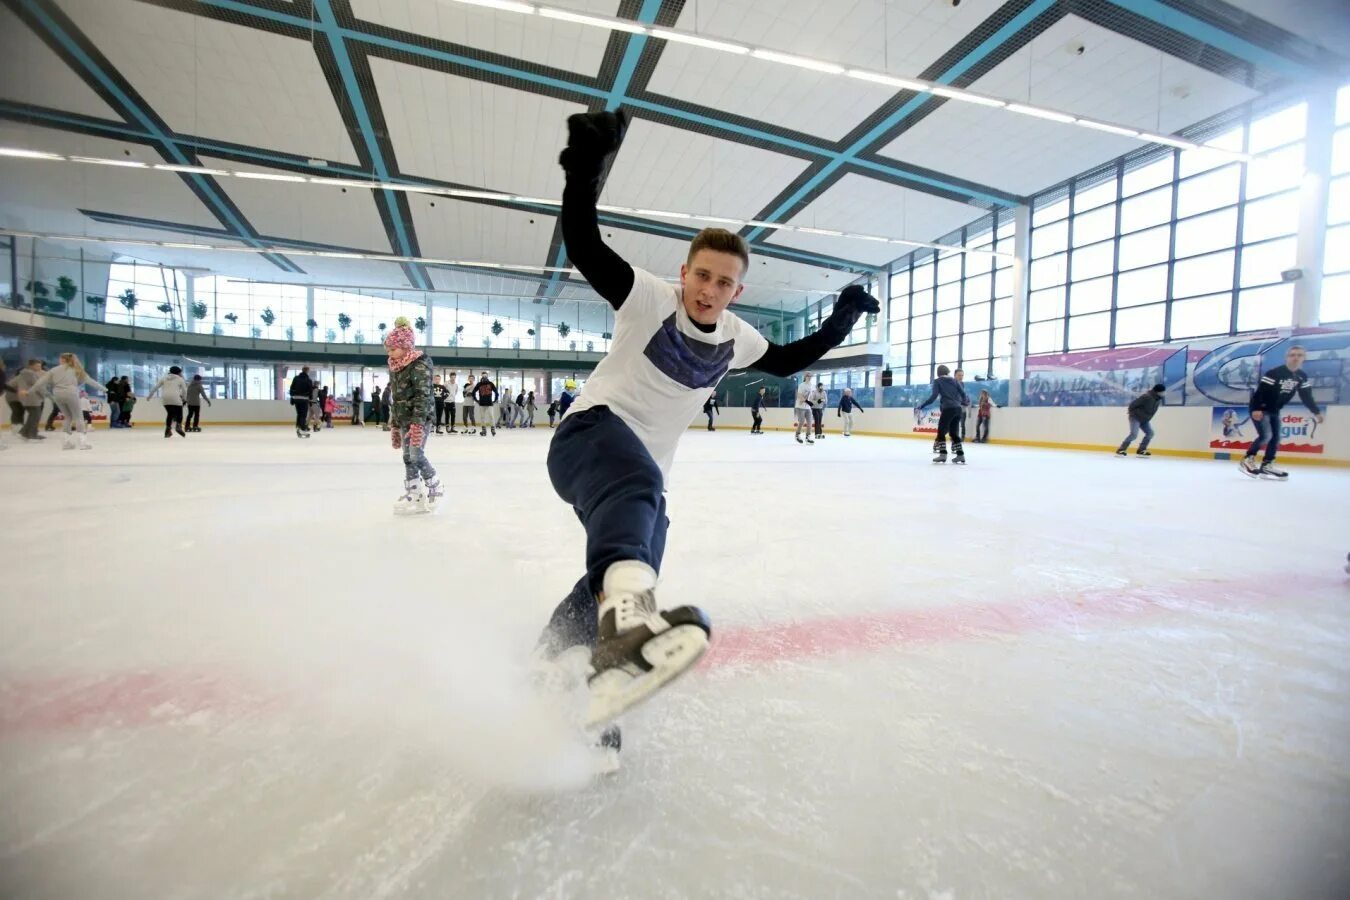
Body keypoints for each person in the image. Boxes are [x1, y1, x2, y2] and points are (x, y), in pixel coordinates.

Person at [534, 109, 881, 741]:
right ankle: (627, 639)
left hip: (641, 477)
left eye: (724, 282)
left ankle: (579, 679)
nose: (709, 290)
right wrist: (583, 171)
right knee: (637, 499)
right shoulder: (648, 300)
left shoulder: (735, 336)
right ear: (684, 274)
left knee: (626, 567)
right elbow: (585, 246)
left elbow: (786, 360)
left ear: (736, 291)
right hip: (588, 437)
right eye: (701, 276)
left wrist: (842, 320)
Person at [1240, 344, 1323, 480]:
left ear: (1304, 358)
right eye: (1292, 355)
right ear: (1287, 358)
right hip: (1261, 408)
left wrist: (1316, 411)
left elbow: (1306, 395)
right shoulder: (1275, 373)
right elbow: (1260, 392)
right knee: (1266, 436)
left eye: (1299, 355)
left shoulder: (1301, 376)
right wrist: (1256, 408)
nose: (1295, 358)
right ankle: (1248, 459)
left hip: (1275, 410)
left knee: (1276, 438)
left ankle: (1267, 465)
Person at [385, 318, 442, 514]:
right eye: (388, 349)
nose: (389, 353)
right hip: (403, 417)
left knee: (416, 454)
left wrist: (418, 423)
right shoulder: (394, 365)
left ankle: (435, 486)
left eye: (392, 349)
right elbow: (395, 395)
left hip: (420, 417)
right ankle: (414, 493)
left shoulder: (420, 362)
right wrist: (394, 422)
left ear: (405, 346)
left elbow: (423, 394)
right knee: (407, 457)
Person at [25, 353, 104, 449]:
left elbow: (40, 382)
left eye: (60, 359)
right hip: (71, 393)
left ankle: (66, 443)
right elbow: (91, 381)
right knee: (79, 416)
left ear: (63, 360)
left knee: (68, 417)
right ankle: (83, 443)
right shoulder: (77, 370)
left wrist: (29, 391)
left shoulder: (54, 370)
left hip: (57, 394)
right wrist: (104, 389)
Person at [917, 364, 968, 464]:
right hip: (958, 409)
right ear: (947, 372)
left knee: (941, 432)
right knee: (953, 433)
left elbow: (934, 396)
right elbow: (963, 394)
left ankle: (942, 454)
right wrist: (964, 402)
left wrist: (922, 405)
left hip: (948, 408)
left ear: (938, 373)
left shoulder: (937, 381)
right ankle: (960, 455)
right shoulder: (955, 381)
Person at [1116, 383, 1164, 458]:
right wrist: (1134, 414)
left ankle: (1141, 449)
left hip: (1145, 419)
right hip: (1135, 417)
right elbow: (1132, 405)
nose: (1164, 393)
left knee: (1150, 433)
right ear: (1157, 392)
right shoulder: (1146, 397)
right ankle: (1121, 449)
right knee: (1134, 434)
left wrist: (1147, 418)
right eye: (1162, 392)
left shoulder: (1158, 400)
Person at [147, 365, 189, 439]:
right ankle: (178, 426)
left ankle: (167, 430)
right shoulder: (180, 379)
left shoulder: (164, 378)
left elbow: (155, 387)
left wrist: (149, 396)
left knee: (170, 414)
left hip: (165, 398)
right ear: (178, 372)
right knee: (179, 413)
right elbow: (184, 390)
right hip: (175, 397)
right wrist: (184, 399)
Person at [10, 360, 48, 441]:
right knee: (35, 417)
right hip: (33, 398)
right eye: (37, 366)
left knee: (33, 416)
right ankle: (31, 434)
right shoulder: (30, 374)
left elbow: (11, 383)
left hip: (26, 398)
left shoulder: (22, 374)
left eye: (40, 366)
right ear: (31, 366)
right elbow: (38, 386)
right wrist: (44, 395)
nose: (40, 368)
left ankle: (25, 432)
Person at [288, 366, 314, 438]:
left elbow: (291, 388)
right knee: (303, 415)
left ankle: (298, 427)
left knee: (299, 414)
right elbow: (310, 391)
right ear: (308, 371)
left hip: (296, 399)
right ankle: (302, 429)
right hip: (304, 399)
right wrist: (311, 399)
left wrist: (292, 396)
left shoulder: (296, 378)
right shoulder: (308, 380)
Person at [793, 372, 815, 445]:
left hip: (808, 407)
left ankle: (808, 437)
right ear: (805, 377)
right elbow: (799, 395)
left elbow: (811, 396)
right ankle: (797, 435)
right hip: (800, 406)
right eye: (808, 376)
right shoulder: (801, 385)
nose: (809, 377)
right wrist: (807, 401)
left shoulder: (812, 386)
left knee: (810, 422)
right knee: (802, 421)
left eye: (810, 376)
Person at [474, 372, 498, 436]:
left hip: (489, 403)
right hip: (481, 403)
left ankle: (493, 429)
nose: (484, 376)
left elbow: (496, 392)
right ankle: (483, 430)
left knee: (491, 416)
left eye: (485, 375)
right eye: (483, 375)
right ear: (481, 376)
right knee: (482, 417)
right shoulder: (479, 384)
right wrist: (476, 400)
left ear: (487, 376)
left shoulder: (490, 383)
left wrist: (495, 400)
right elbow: (473, 392)